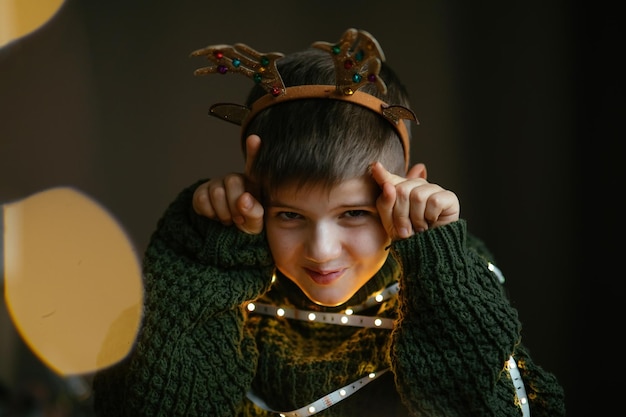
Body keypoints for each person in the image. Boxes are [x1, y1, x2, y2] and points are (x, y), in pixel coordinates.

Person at [92, 28, 566, 417]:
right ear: (254, 197)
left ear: (407, 188)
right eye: (290, 215)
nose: (321, 249)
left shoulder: (451, 283)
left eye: (354, 214)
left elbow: (501, 407)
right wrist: (210, 249)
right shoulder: (235, 287)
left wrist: (437, 256)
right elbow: (149, 403)